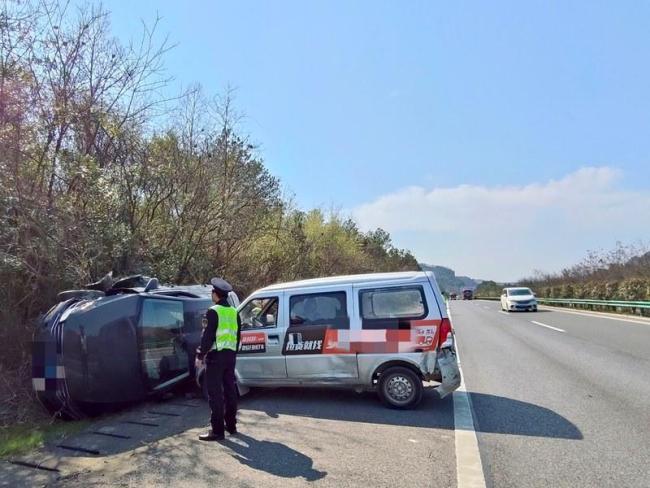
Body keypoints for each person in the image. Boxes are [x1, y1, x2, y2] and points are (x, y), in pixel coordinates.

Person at [196, 277, 241, 441]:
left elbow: (207, 337)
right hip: (230, 356)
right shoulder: (234, 312)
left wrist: (200, 355)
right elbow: (238, 336)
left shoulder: (213, 311)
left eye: (212, 292)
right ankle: (231, 425)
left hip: (216, 357)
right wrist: (233, 353)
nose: (211, 294)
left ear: (216, 294)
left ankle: (217, 431)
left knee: (215, 393)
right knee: (230, 390)